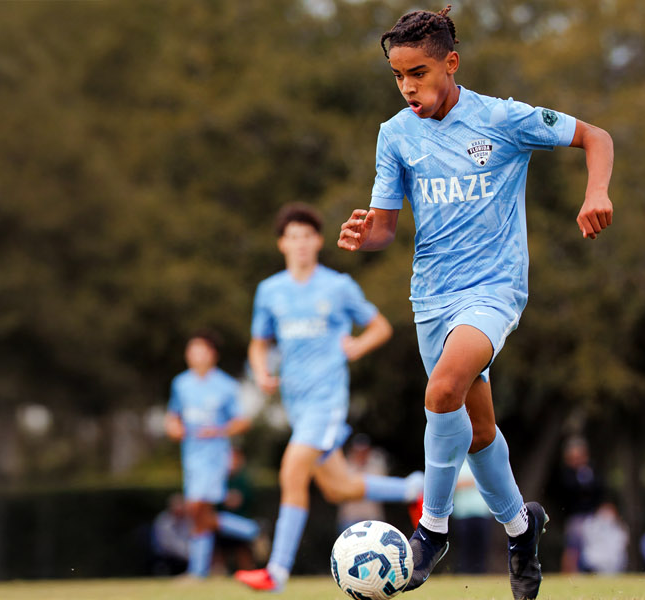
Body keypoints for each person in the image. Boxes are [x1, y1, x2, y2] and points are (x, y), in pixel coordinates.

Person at [337, 5, 616, 599]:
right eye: (398, 75)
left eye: (419, 73)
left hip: (493, 290)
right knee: (479, 431)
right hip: (430, 297)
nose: (408, 86)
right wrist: (366, 235)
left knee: (442, 392)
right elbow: (386, 227)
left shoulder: (503, 119)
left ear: (451, 63)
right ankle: (521, 529)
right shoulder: (395, 135)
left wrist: (596, 193)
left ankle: (430, 530)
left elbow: (596, 137)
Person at [234, 204, 423, 593]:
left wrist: (356, 346)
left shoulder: (338, 286)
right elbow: (258, 342)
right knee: (340, 488)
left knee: (292, 470)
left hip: (327, 401)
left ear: (318, 241)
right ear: (282, 243)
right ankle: (411, 489)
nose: (301, 243)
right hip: (297, 406)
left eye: (307, 236)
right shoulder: (270, 291)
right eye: (293, 237)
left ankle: (276, 571)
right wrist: (261, 371)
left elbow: (380, 327)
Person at [165, 330, 252, 580]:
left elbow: (242, 421)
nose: (194, 355)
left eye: (200, 350)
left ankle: (198, 570)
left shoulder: (226, 385)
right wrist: (174, 428)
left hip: (215, 456)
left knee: (196, 507)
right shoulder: (181, 384)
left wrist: (218, 431)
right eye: (191, 351)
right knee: (199, 513)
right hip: (191, 456)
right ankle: (248, 530)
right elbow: (173, 417)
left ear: (212, 354)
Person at [555, 438, 605, 574]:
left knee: (590, 547)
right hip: (575, 516)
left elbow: (599, 490)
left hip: (591, 515)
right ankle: (569, 573)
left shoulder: (591, 471)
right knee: (573, 547)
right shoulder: (567, 474)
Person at [336, 435, 388, 531]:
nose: (361, 454)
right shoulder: (345, 467)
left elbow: (382, 487)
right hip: (349, 519)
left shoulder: (376, 467)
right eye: (358, 451)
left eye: (364, 451)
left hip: (373, 518)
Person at [576, 502, 628, 575]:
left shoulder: (620, 528)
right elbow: (588, 538)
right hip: (593, 564)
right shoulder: (592, 525)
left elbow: (619, 546)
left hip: (612, 565)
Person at [150, 494, 193, 575]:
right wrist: (188, 554)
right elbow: (167, 546)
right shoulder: (163, 521)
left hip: (186, 557)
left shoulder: (189, 520)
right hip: (168, 558)